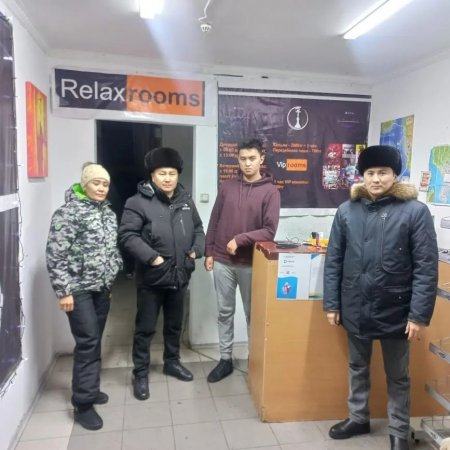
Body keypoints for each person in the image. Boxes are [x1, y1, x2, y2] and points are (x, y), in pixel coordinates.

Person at [323, 145, 438, 450]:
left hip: (397, 309)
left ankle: (399, 431)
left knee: (398, 376)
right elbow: (334, 260)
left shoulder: (415, 212)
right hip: (355, 304)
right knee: (357, 366)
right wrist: (332, 304)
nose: (376, 179)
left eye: (383, 173)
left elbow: (426, 267)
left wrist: (418, 315)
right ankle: (358, 418)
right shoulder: (347, 211)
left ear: (394, 174)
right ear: (362, 175)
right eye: (370, 173)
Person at [119, 147, 205, 400]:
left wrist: (196, 251)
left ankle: (172, 362)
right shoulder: (137, 202)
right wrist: (153, 258)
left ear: (178, 175)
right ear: (152, 175)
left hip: (180, 275)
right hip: (152, 278)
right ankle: (140, 373)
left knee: (174, 325)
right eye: (162, 173)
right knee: (145, 328)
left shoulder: (185, 201)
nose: (168, 178)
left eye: (172, 173)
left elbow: (198, 229)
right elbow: (127, 235)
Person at [46, 162, 122, 431]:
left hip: (101, 287)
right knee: (88, 341)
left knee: (94, 339)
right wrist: (63, 291)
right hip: (77, 289)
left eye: (105, 184)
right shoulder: (68, 213)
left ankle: (89, 387)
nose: (101, 188)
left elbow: (112, 247)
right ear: (84, 184)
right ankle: (83, 404)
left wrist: (115, 268)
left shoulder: (108, 213)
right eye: (96, 183)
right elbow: (55, 255)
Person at [204, 138, 281, 383]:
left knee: (252, 315)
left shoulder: (270, 192)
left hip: (251, 264)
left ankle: (254, 360)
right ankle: (225, 359)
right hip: (222, 261)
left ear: (261, 159)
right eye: (243, 159)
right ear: (237, 159)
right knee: (225, 312)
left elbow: (269, 231)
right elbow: (214, 220)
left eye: (252, 159)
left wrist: (240, 239)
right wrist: (209, 252)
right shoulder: (227, 187)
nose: (247, 163)